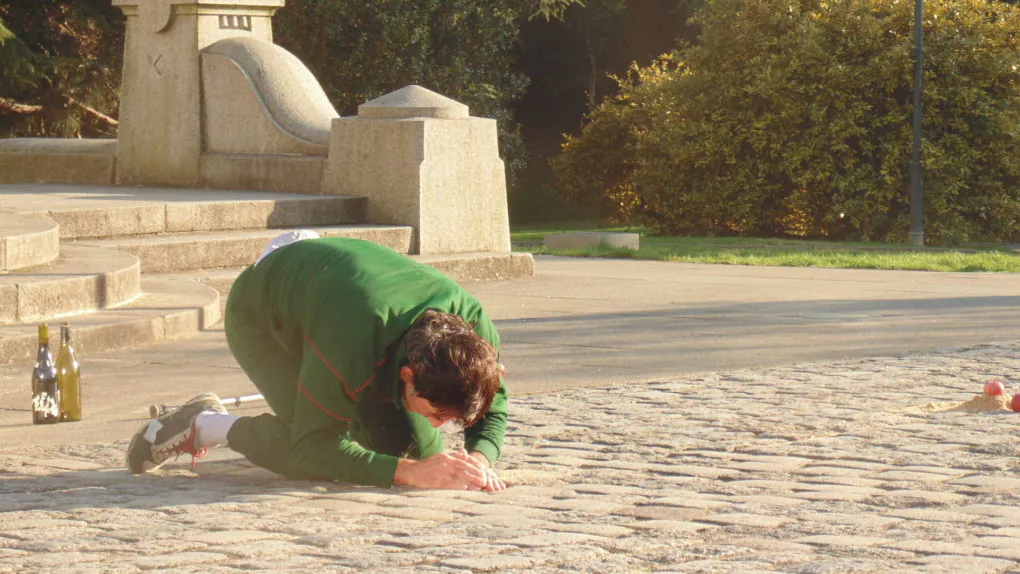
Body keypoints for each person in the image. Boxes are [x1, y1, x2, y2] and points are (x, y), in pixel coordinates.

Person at [126, 235, 507, 492]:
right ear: (408, 375)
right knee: (311, 449)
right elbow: (314, 446)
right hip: (266, 315)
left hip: (332, 285)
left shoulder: (476, 337)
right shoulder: (351, 338)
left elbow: (493, 402)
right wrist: (407, 473)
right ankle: (204, 424)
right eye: (439, 413)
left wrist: (479, 459)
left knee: (414, 451)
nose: (443, 425)